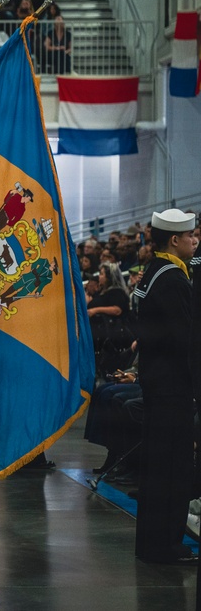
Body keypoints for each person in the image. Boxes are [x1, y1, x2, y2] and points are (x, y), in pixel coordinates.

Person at [132, 209, 198, 564]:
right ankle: (166, 546)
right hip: (172, 386)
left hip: (156, 381)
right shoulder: (173, 279)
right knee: (172, 469)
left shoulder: (153, 272)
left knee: (156, 467)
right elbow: (184, 339)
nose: (195, 241)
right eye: (191, 236)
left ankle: (151, 544)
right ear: (174, 240)